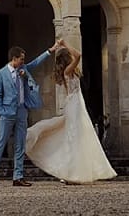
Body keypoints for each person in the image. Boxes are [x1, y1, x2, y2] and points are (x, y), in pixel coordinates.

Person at [24, 38, 117, 184]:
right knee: (73, 137)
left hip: (76, 105)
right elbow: (79, 55)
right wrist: (65, 44)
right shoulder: (68, 71)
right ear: (68, 59)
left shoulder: (70, 72)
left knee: (79, 137)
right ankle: (71, 173)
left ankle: (74, 172)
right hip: (74, 106)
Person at [0, 42, 53, 187]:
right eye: (21, 59)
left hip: (22, 111)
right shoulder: (1, 74)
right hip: (7, 113)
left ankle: (18, 177)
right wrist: (1, 111)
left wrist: (50, 51)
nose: (23, 61)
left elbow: (36, 62)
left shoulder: (24, 69)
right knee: (1, 143)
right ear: (14, 59)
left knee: (20, 145)